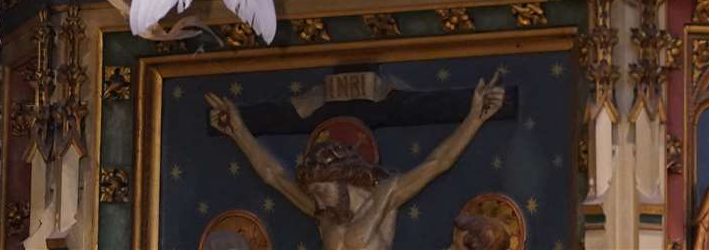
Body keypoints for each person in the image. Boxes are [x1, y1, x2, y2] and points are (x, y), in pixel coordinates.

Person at [204, 73, 505, 250]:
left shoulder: (385, 196)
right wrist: (238, 131)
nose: (318, 200)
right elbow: (274, 175)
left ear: (343, 178)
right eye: (316, 194)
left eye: (323, 190)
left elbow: (437, 163)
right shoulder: (324, 214)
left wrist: (475, 118)